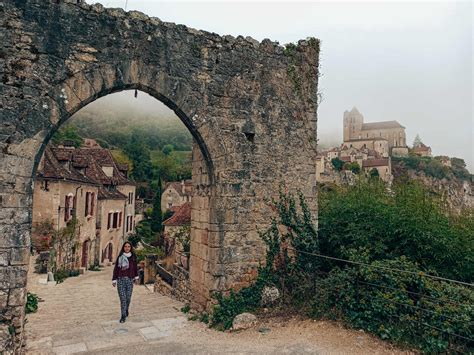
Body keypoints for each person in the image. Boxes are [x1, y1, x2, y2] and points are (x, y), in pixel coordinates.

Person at [112, 241, 139, 323]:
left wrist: (136, 277)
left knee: (128, 298)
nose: (127, 248)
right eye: (125, 246)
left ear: (130, 248)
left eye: (128, 247)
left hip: (130, 280)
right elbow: (116, 269)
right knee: (123, 299)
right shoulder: (120, 257)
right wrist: (114, 279)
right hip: (120, 280)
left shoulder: (133, 257)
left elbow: (135, 268)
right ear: (123, 248)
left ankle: (126, 309)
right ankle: (123, 316)